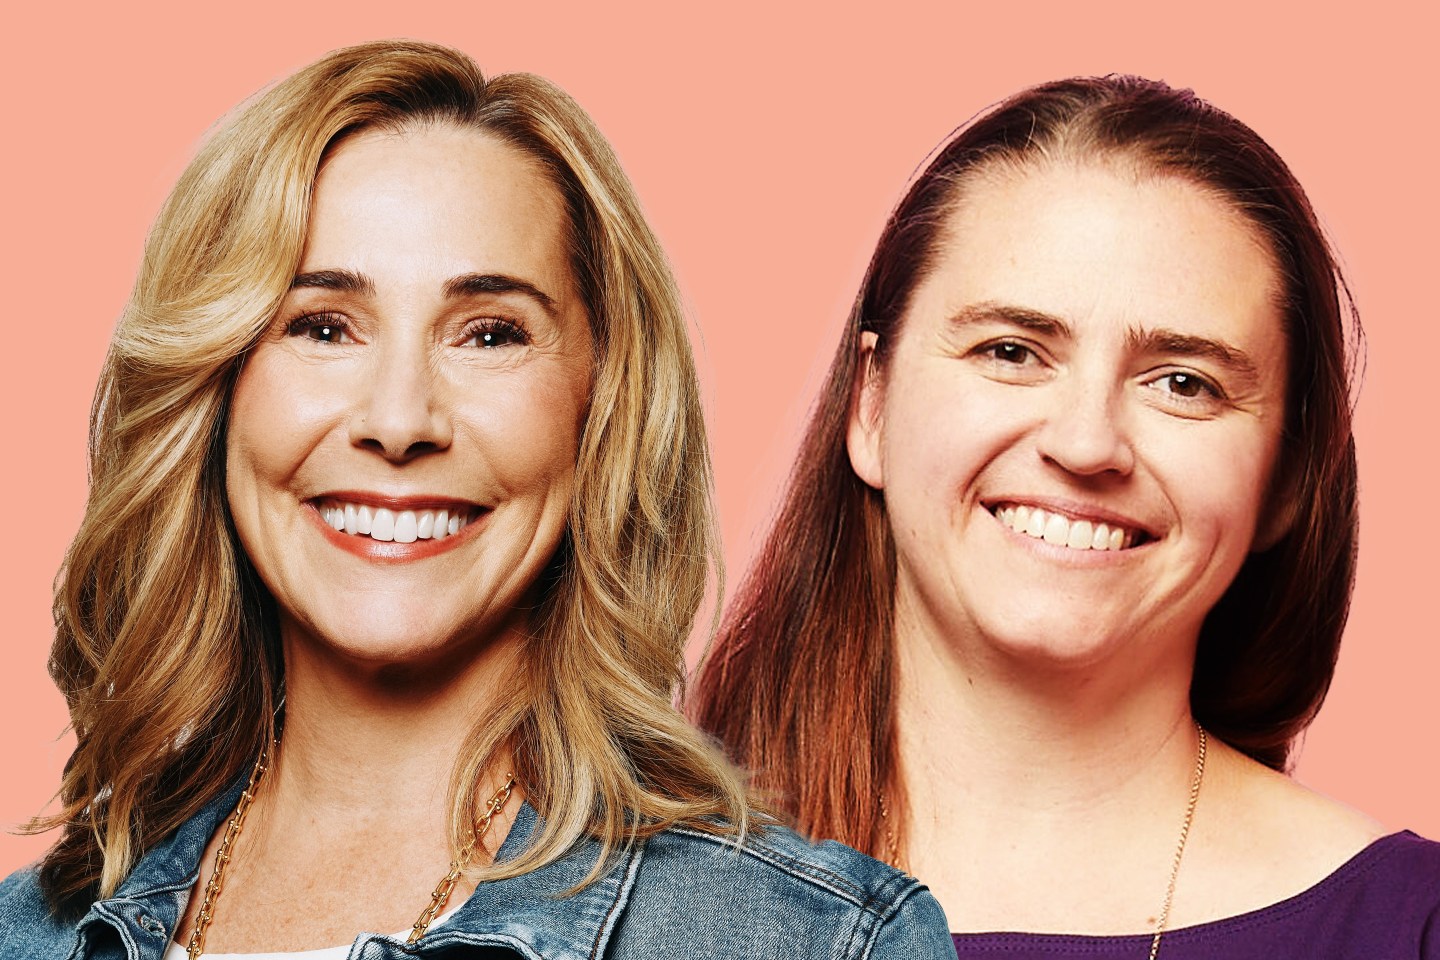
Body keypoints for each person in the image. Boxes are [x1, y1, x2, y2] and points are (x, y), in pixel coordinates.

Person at [0, 40, 952, 960]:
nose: (400, 418)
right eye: (323, 326)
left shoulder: (811, 943)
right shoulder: (23, 933)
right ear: (215, 396)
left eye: (490, 334)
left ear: (599, 404)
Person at [691, 76, 1440, 958]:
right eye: (1010, 351)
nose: (1087, 445)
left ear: (1285, 478)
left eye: (1184, 383)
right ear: (873, 405)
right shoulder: (603, 901)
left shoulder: (1406, 928)